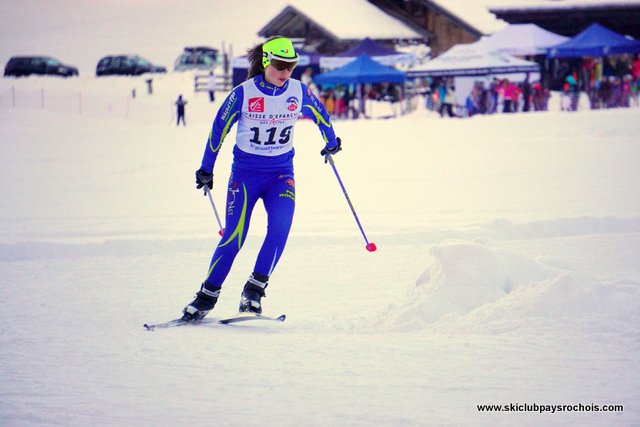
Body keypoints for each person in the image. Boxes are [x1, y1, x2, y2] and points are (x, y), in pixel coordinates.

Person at [181, 36, 342, 321]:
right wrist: (207, 168)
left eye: (291, 66)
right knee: (234, 238)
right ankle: (206, 296)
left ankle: (253, 291)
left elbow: (321, 115)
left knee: (280, 229)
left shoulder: (298, 91)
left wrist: (331, 142)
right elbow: (218, 129)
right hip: (245, 176)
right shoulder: (243, 93)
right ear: (265, 62)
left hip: (281, 175)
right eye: (280, 66)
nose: (285, 73)